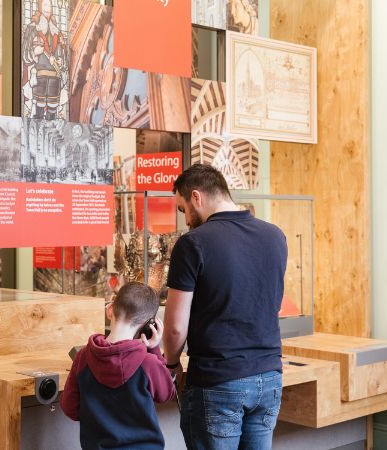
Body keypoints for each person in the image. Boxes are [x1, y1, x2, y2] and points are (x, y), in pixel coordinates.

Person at [162, 164, 287, 449]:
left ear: (196, 197)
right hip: (269, 377)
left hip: (218, 381)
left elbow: (175, 328)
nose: (186, 221)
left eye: (182, 210)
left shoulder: (192, 244)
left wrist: (171, 363)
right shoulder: (275, 236)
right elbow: (269, 304)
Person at [61, 282, 175, 449]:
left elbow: (70, 408)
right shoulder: (148, 363)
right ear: (148, 325)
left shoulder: (82, 357)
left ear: (110, 309)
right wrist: (153, 349)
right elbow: (166, 394)